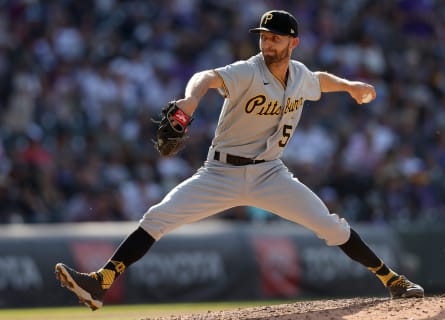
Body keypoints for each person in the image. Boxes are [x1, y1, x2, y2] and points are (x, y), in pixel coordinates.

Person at [55, 10, 424, 310]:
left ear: (293, 42)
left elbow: (319, 79)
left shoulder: (298, 76)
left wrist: (350, 86)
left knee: (331, 226)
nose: (267, 43)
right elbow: (205, 77)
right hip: (220, 172)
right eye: (263, 37)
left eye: (275, 38)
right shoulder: (249, 70)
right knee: (157, 217)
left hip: (271, 174)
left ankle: (391, 279)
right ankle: (101, 281)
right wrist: (190, 102)